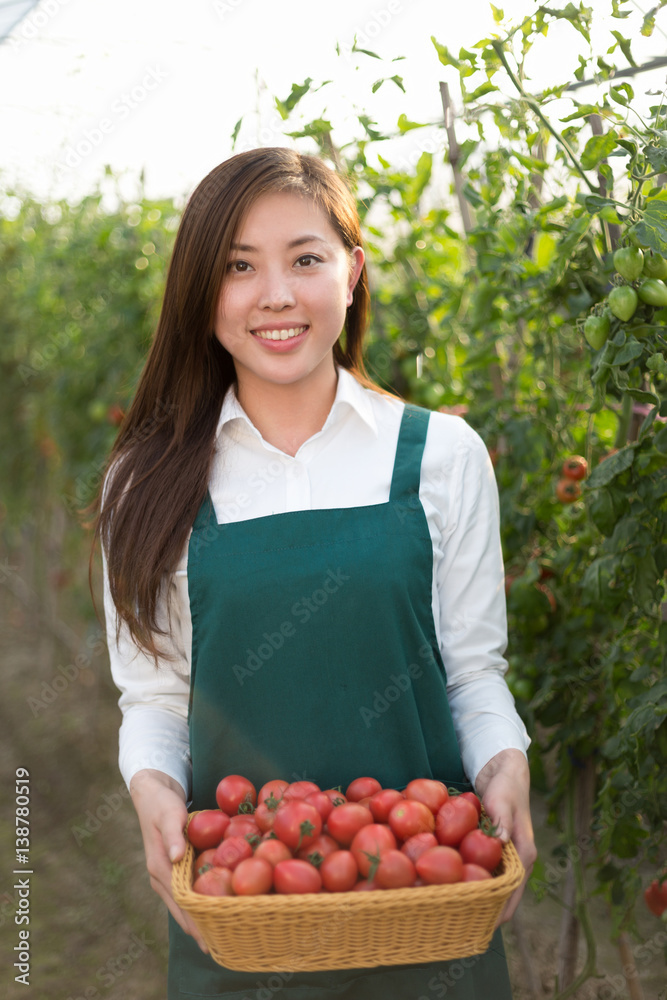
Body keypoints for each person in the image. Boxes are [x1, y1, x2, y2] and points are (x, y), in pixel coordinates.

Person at [95, 146, 536, 1000]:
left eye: (305, 259)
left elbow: (473, 674)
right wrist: (152, 792)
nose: (276, 295)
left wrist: (502, 764)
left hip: (427, 896)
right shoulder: (146, 484)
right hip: (242, 913)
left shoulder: (441, 458)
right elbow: (153, 697)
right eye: (237, 266)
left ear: (352, 271)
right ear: (201, 294)